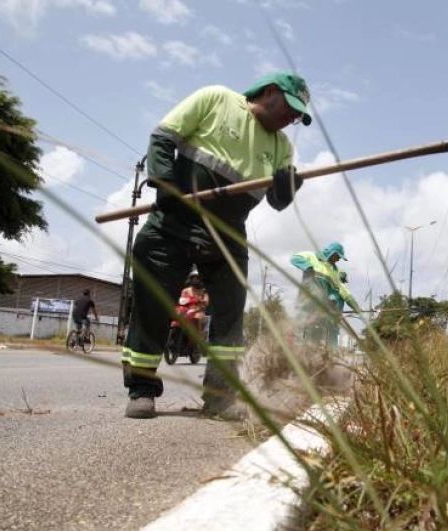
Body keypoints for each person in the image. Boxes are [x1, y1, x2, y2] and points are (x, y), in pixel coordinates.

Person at [122, 71, 312, 419]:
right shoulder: (216, 99)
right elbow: (162, 138)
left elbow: (278, 202)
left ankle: (220, 397)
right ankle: (141, 390)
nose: (294, 118)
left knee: (229, 317)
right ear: (270, 92)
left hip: (228, 234)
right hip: (175, 222)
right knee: (153, 307)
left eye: (300, 115)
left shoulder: (282, 147)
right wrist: (166, 187)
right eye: (291, 107)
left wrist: (287, 186)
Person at [290, 242, 359, 347]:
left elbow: (342, 289)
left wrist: (353, 304)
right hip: (305, 305)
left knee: (315, 337)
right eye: (338, 257)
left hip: (320, 310)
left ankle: (314, 360)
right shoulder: (312, 256)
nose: (338, 259)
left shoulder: (333, 272)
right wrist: (307, 267)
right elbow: (294, 258)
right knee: (300, 332)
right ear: (333, 253)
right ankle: (293, 358)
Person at [179, 266, 209, 337]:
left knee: (198, 317)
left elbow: (206, 302)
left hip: (198, 311)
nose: (195, 280)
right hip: (186, 311)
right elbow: (182, 300)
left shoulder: (203, 292)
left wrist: (202, 302)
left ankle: (198, 337)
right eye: (194, 278)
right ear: (190, 279)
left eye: (197, 278)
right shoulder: (185, 290)